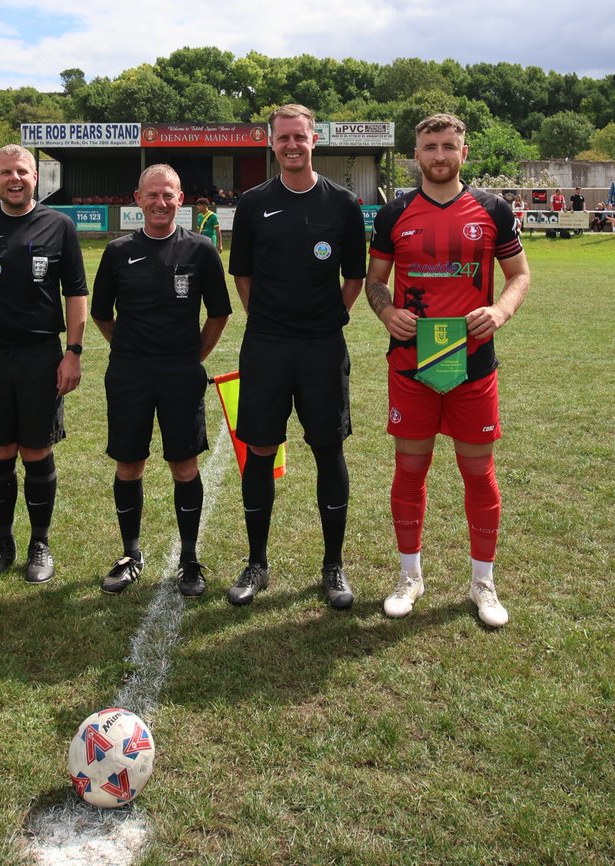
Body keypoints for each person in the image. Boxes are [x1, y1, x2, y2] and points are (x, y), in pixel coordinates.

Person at [364, 113, 531, 628]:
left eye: (448, 146)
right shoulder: (394, 214)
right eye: (430, 147)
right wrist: (388, 312)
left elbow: (520, 274)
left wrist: (500, 312)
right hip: (412, 364)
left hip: (472, 365)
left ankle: (483, 582)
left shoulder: (493, 210)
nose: (439, 155)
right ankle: (410, 576)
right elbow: (374, 282)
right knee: (410, 470)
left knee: (478, 472)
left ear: (464, 152)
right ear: (415, 155)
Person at [226, 103, 367, 609]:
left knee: (329, 448)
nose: (291, 145)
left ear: (315, 140)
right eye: (283, 138)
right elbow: (242, 273)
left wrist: (331, 317)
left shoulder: (343, 204)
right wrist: (265, 318)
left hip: (322, 347)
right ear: (272, 142)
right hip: (266, 345)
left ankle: (333, 566)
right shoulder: (252, 204)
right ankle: (257, 563)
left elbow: (355, 275)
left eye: (299, 137)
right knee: (260, 449)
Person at [0, 144, 88, 584]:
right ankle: (3, 542)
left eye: (23, 171)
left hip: (41, 356)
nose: (15, 179)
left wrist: (73, 352)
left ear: (36, 178)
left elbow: (76, 294)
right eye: (6, 172)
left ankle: (39, 543)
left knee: (37, 450)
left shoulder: (59, 226)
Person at [91, 165, 231, 596]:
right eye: (152, 195)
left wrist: (191, 356)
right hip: (130, 374)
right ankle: (130, 554)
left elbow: (219, 312)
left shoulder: (201, 249)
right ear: (137, 199)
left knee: (184, 466)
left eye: (168, 195)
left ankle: (189, 560)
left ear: (181, 198)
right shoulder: (117, 252)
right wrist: (133, 349)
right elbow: (101, 313)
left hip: (180, 373)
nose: (160, 203)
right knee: (129, 463)